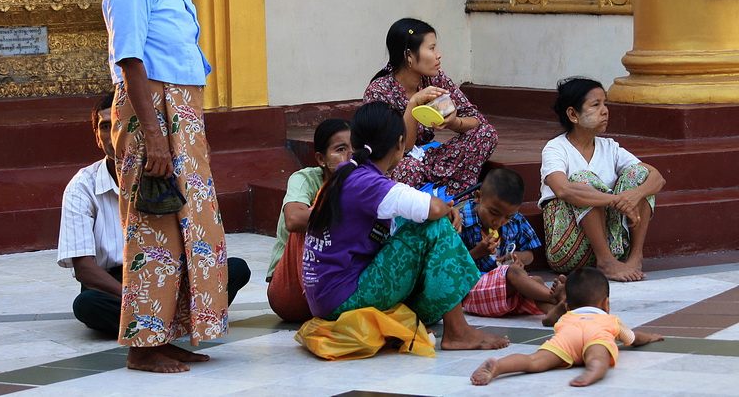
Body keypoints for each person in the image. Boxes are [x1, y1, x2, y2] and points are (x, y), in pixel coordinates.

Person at [102, 0, 227, 372]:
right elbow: (130, 59)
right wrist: (154, 137)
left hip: (181, 109)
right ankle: (142, 346)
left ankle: (167, 334)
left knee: (188, 223)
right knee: (155, 224)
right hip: (153, 110)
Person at [302, 101, 509, 351]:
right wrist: (445, 210)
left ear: (355, 144)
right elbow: (433, 209)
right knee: (434, 226)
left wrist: (440, 208)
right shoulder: (366, 183)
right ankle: (458, 331)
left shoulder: (349, 173)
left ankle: (419, 322)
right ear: (400, 144)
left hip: (328, 298)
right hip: (342, 300)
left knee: (417, 222)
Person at [57, 92, 250, 337]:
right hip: (115, 283)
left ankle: (158, 321)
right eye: (105, 126)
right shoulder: (82, 186)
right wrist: (134, 300)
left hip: (169, 276)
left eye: (121, 123)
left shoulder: (169, 171)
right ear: (96, 136)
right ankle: (177, 319)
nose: (114, 133)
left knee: (235, 269)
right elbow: (84, 269)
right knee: (87, 305)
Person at [540, 77, 665, 282]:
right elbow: (563, 189)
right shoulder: (556, 148)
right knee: (583, 179)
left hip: (615, 245)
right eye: (596, 105)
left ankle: (635, 257)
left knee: (640, 174)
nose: (605, 111)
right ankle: (605, 261)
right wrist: (614, 200)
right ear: (573, 114)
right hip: (569, 249)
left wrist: (633, 196)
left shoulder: (610, 147)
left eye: (605, 104)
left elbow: (657, 178)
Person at [363, 18, 497, 197]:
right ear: (409, 55)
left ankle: (452, 192)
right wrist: (413, 104)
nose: (438, 55)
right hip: (396, 162)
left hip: (427, 157)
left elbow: (476, 120)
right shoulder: (379, 91)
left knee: (487, 134)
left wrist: (454, 122)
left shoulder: (435, 79)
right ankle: (447, 188)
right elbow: (403, 148)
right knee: (409, 168)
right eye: (432, 48)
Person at [471, 267, 664, 387]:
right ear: (606, 304)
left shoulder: (567, 316)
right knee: (598, 356)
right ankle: (592, 371)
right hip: (596, 335)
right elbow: (632, 338)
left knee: (534, 361)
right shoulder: (609, 319)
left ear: (568, 305)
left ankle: (499, 366)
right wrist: (649, 336)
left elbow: (549, 320)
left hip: (568, 338)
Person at [266, 119, 351, 322]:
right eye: (341, 149)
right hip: (291, 292)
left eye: (356, 149)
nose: (350, 156)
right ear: (321, 159)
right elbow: (294, 219)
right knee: (313, 217)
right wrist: (352, 215)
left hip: (339, 285)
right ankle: (323, 306)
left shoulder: (365, 180)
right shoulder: (306, 178)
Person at [458, 168, 563, 321]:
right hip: (472, 292)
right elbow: (451, 264)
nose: (498, 222)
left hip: (503, 292)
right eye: (493, 213)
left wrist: (515, 257)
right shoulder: (460, 222)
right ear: (478, 197)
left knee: (535, 281)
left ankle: (552, 311)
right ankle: (556, 297)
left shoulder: (516, 220)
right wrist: (477, 252)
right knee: (514, 273)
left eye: (507, 217)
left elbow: (529, 255)